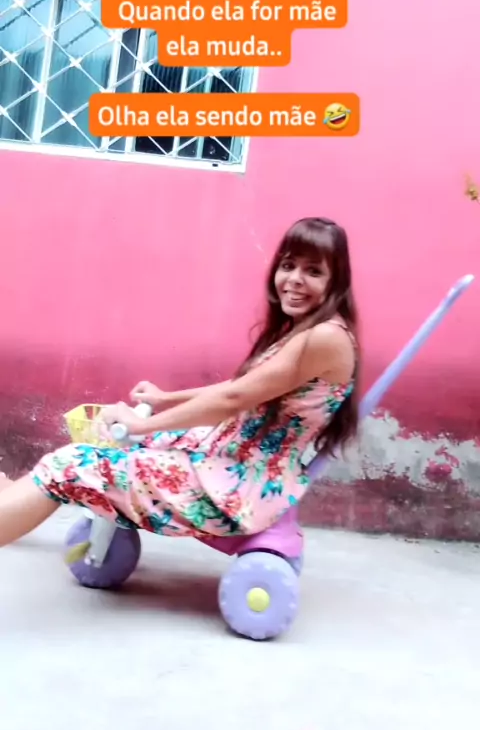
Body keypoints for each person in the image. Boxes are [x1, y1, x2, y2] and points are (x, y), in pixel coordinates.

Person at [0, 217, 359, 548]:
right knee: (102, 444)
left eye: (313, 271)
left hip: (235, 487)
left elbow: (233, 398)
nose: (294, 279)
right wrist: (165, 398)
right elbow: (241, 387)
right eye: (288, 265)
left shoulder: (325, 338)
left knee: (67, 464)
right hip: (227, 459)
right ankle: (16, 498)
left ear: (336, 282)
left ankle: (20, 498)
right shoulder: (306, 330)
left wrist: (143, 423)